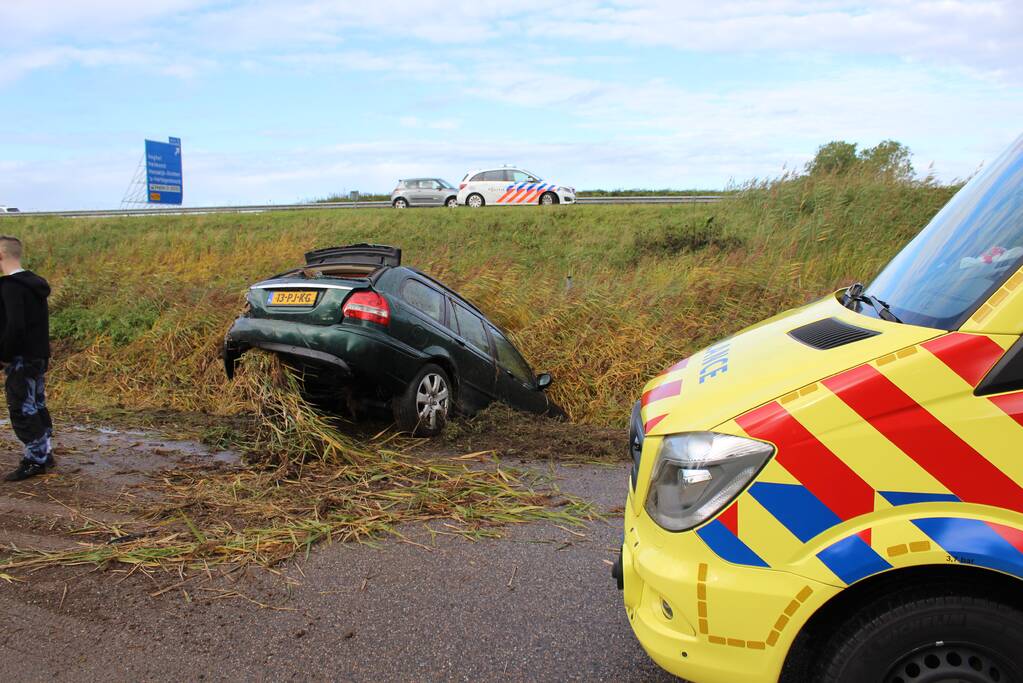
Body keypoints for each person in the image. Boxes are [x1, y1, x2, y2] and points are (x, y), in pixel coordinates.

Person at [0, 236, 53, 481]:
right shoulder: (34, 284)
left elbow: (15, 327)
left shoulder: (10, 287)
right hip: (37, 355)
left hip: (20, 358)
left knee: (22, 408)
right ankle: (45, 453)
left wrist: (4, 356)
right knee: (36, 405)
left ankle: (35, 460)